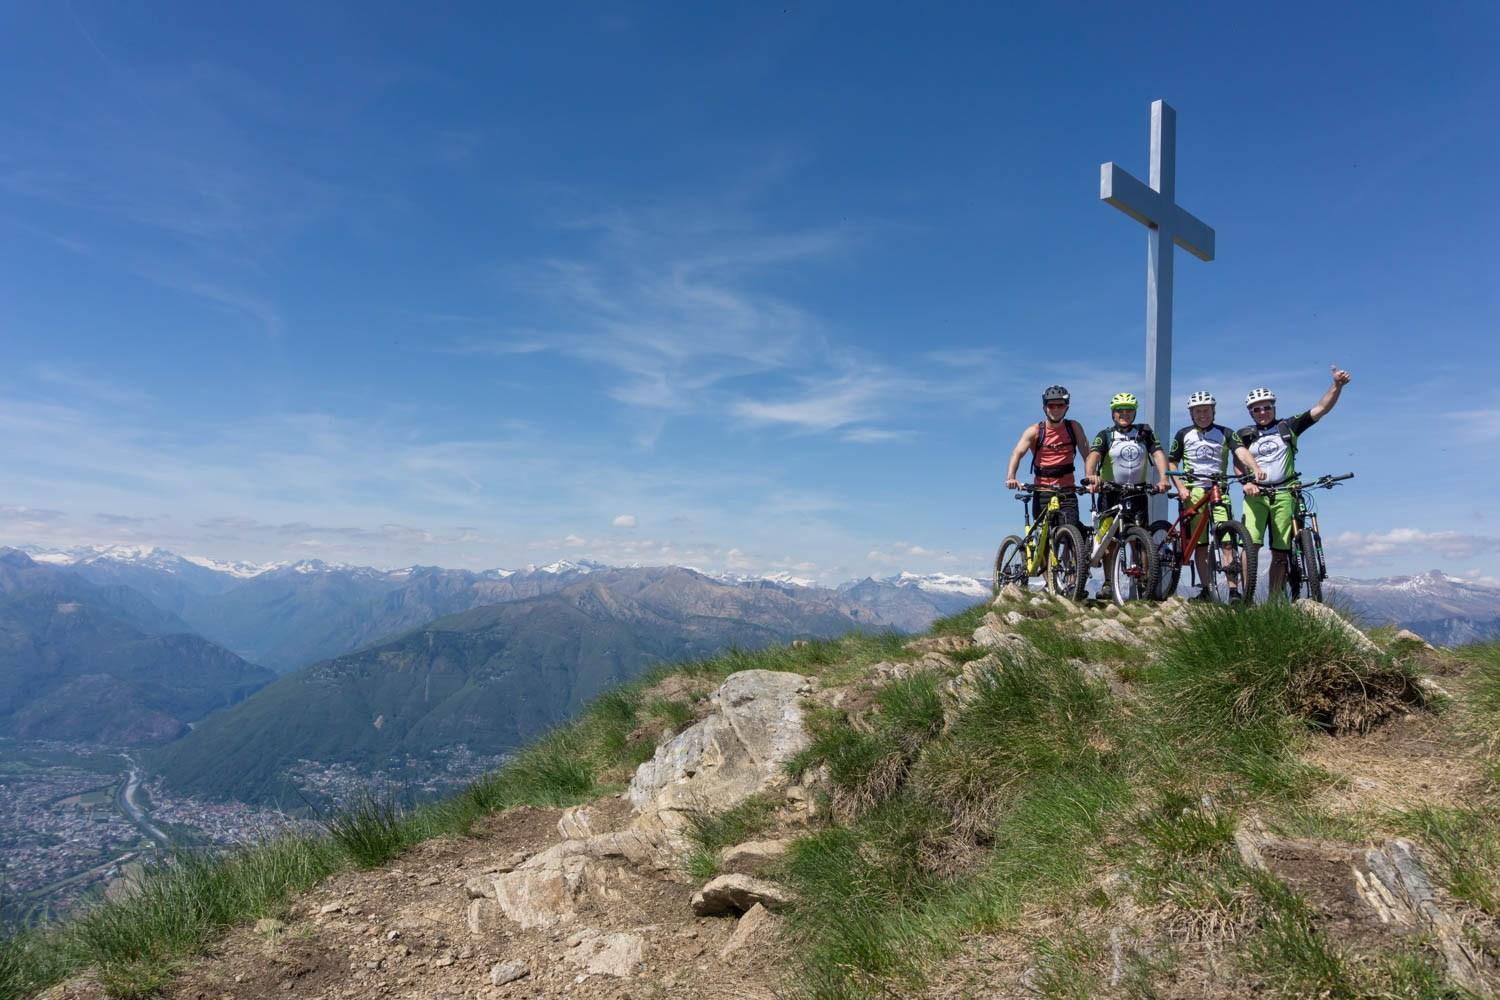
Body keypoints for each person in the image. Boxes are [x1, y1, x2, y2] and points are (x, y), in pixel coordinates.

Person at [1238, 366, 1353, 597]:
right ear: (1251, 412)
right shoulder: (1244, 434)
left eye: (1266, 407)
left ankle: (1273, 603)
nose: (1262, 412)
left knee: (1280, 551)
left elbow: (1320, 409)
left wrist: (1337, 386)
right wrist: (1245, 482)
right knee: (1251, 546)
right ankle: (1247, 597)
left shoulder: (1288, 426)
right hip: (1255, 495)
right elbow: (1238, 461)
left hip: (1284, 492)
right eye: (1257, 409)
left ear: (1273, 407)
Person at [1168, 390, 1265, 601]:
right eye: (1197, 411)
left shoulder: (1226, 432)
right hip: (1193, 491)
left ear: (1213, 411)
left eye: (1205, 410)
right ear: (1191, 414)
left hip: (1218, 490)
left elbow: (1240, 451)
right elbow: (1172, 462)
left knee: (1227, 541)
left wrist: (1254, 467)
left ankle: (1233, 592)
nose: (1202, 415)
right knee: (1200, 545)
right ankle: (1205, 590)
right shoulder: (1183, 434)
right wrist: (1180, 487)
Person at [1083, 392, 1170, 602]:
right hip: (1111, 491)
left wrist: (1164, 478)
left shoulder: (1144, 433)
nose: (1125, 414)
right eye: (1120, 411)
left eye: (1129, 411)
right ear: (1113, 414)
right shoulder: (1105, 435)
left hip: (1138, 491)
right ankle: (1107, 584)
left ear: (1134, 413)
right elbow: (1093, 456)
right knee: (1110, 540)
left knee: (1140, 539)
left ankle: (1144, 582)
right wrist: (1091, 476)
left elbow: (1158, 454)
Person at [1005, 385, 1089, 544]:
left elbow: (1087, 454)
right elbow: (1017, 453)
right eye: (1051, 405)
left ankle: (1071, 565)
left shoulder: (1074, 427)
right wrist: (1011, 477)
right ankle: (1042, 567)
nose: (1056, 409)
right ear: (1045, 407)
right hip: (1042, 490)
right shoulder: (1035, 431)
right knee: (1043, 540)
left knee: (1072, 533)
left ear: (1067, 407)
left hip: (1067, 490)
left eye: (1060, 405)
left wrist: (1092, 477)